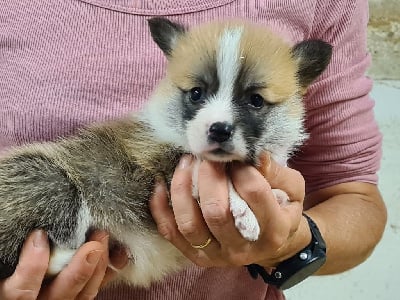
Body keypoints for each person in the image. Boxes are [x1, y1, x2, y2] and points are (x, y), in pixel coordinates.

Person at [0, 0, 386, 299]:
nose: (219, 121)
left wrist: (292, 241)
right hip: (65, 191)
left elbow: (352, 191)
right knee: (45, 183)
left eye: (254, 100)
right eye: (197, 95)